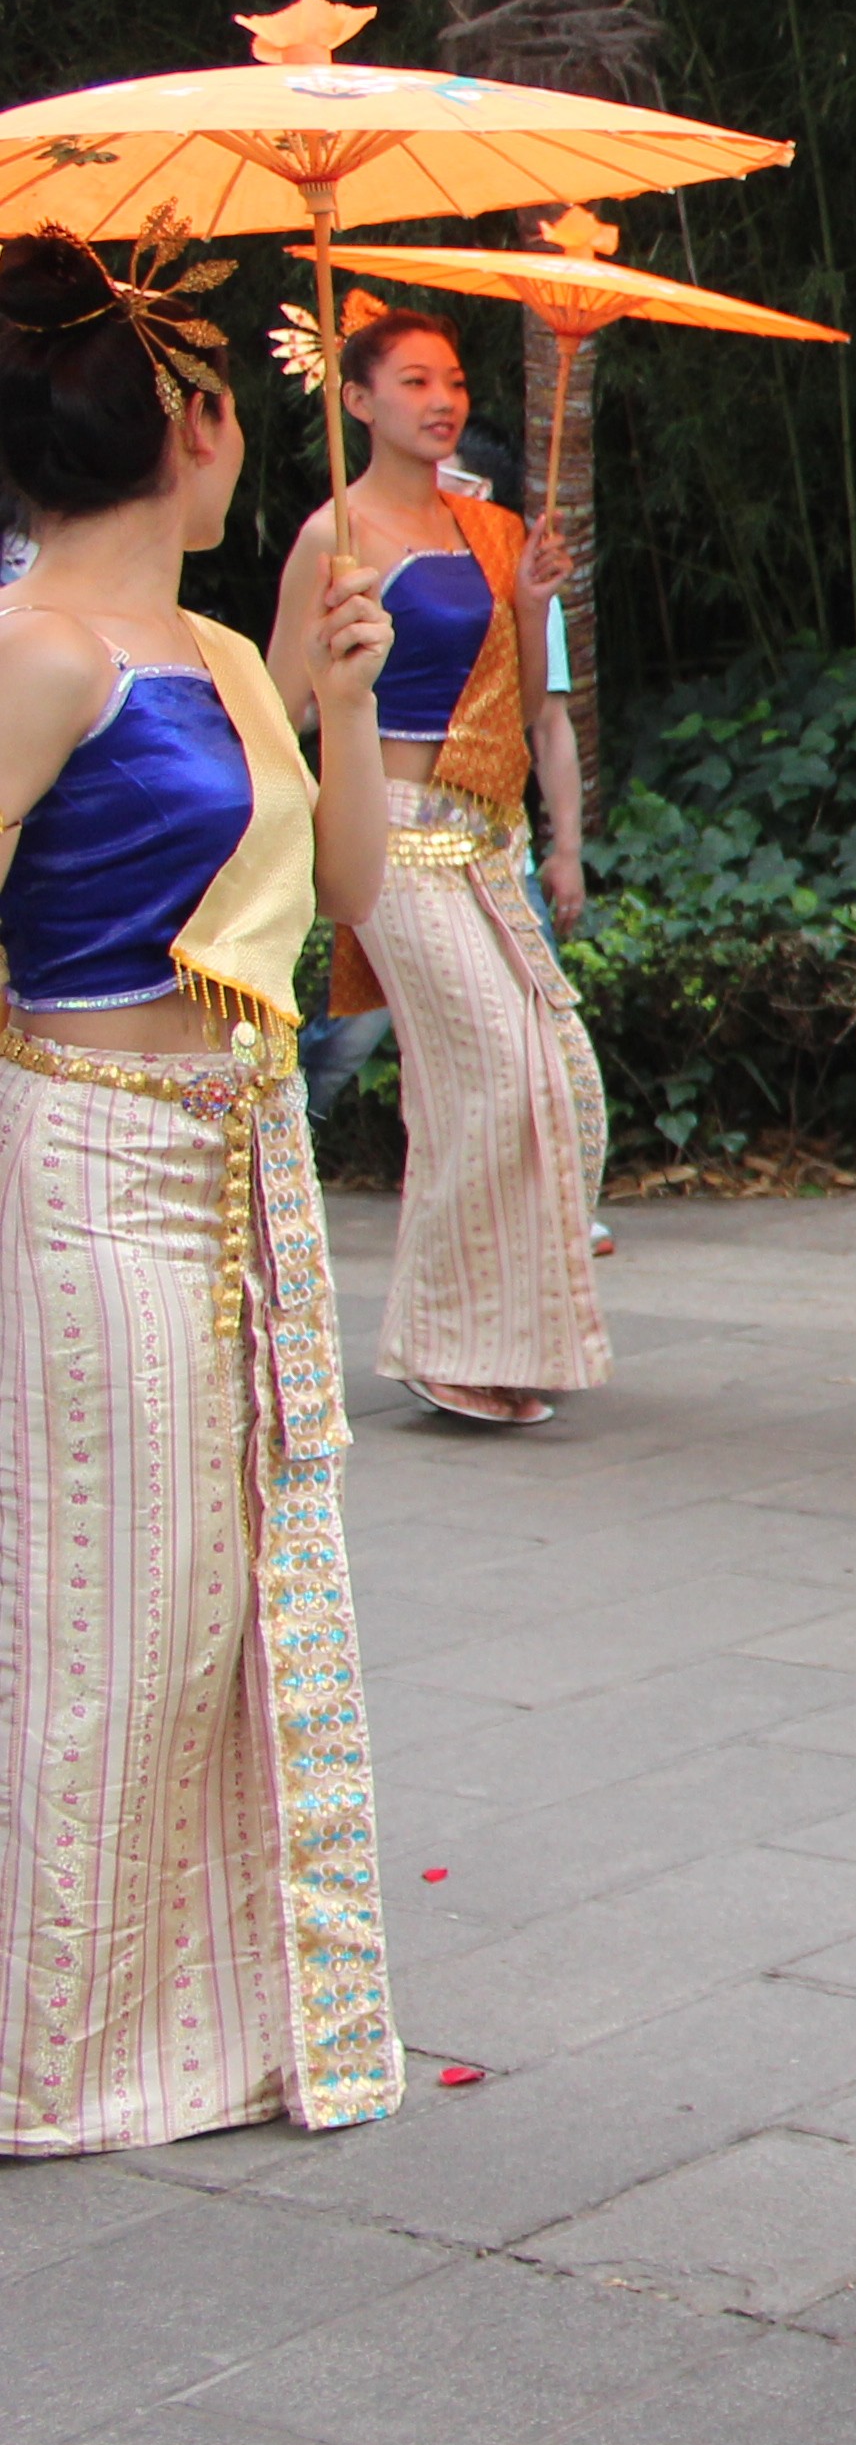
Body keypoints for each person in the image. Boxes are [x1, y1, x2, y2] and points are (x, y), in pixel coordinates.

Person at [0, 230, 408, 2154]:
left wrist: (345, 703)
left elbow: (343, 901)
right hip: (78, 1153)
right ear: (188, 423)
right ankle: (47, 2028)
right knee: (100, 1597)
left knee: (206, 1596)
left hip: (227, 1153)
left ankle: (174, 2004)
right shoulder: (44, 655)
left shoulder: (232, 650)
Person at [261, 299, 604, 1427]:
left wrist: (533, 600)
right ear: (355, 400)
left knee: (557, 1075)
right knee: (488, 1076)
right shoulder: (336, 535)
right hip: (391, 830)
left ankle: (509, 1333)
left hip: (483, 836)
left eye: (450, 379)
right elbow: (281, 706)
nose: (441, 400)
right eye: (411, 381)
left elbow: (513, 683)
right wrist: (336, 659)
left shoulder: (491, 529)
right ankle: (438, 1337)